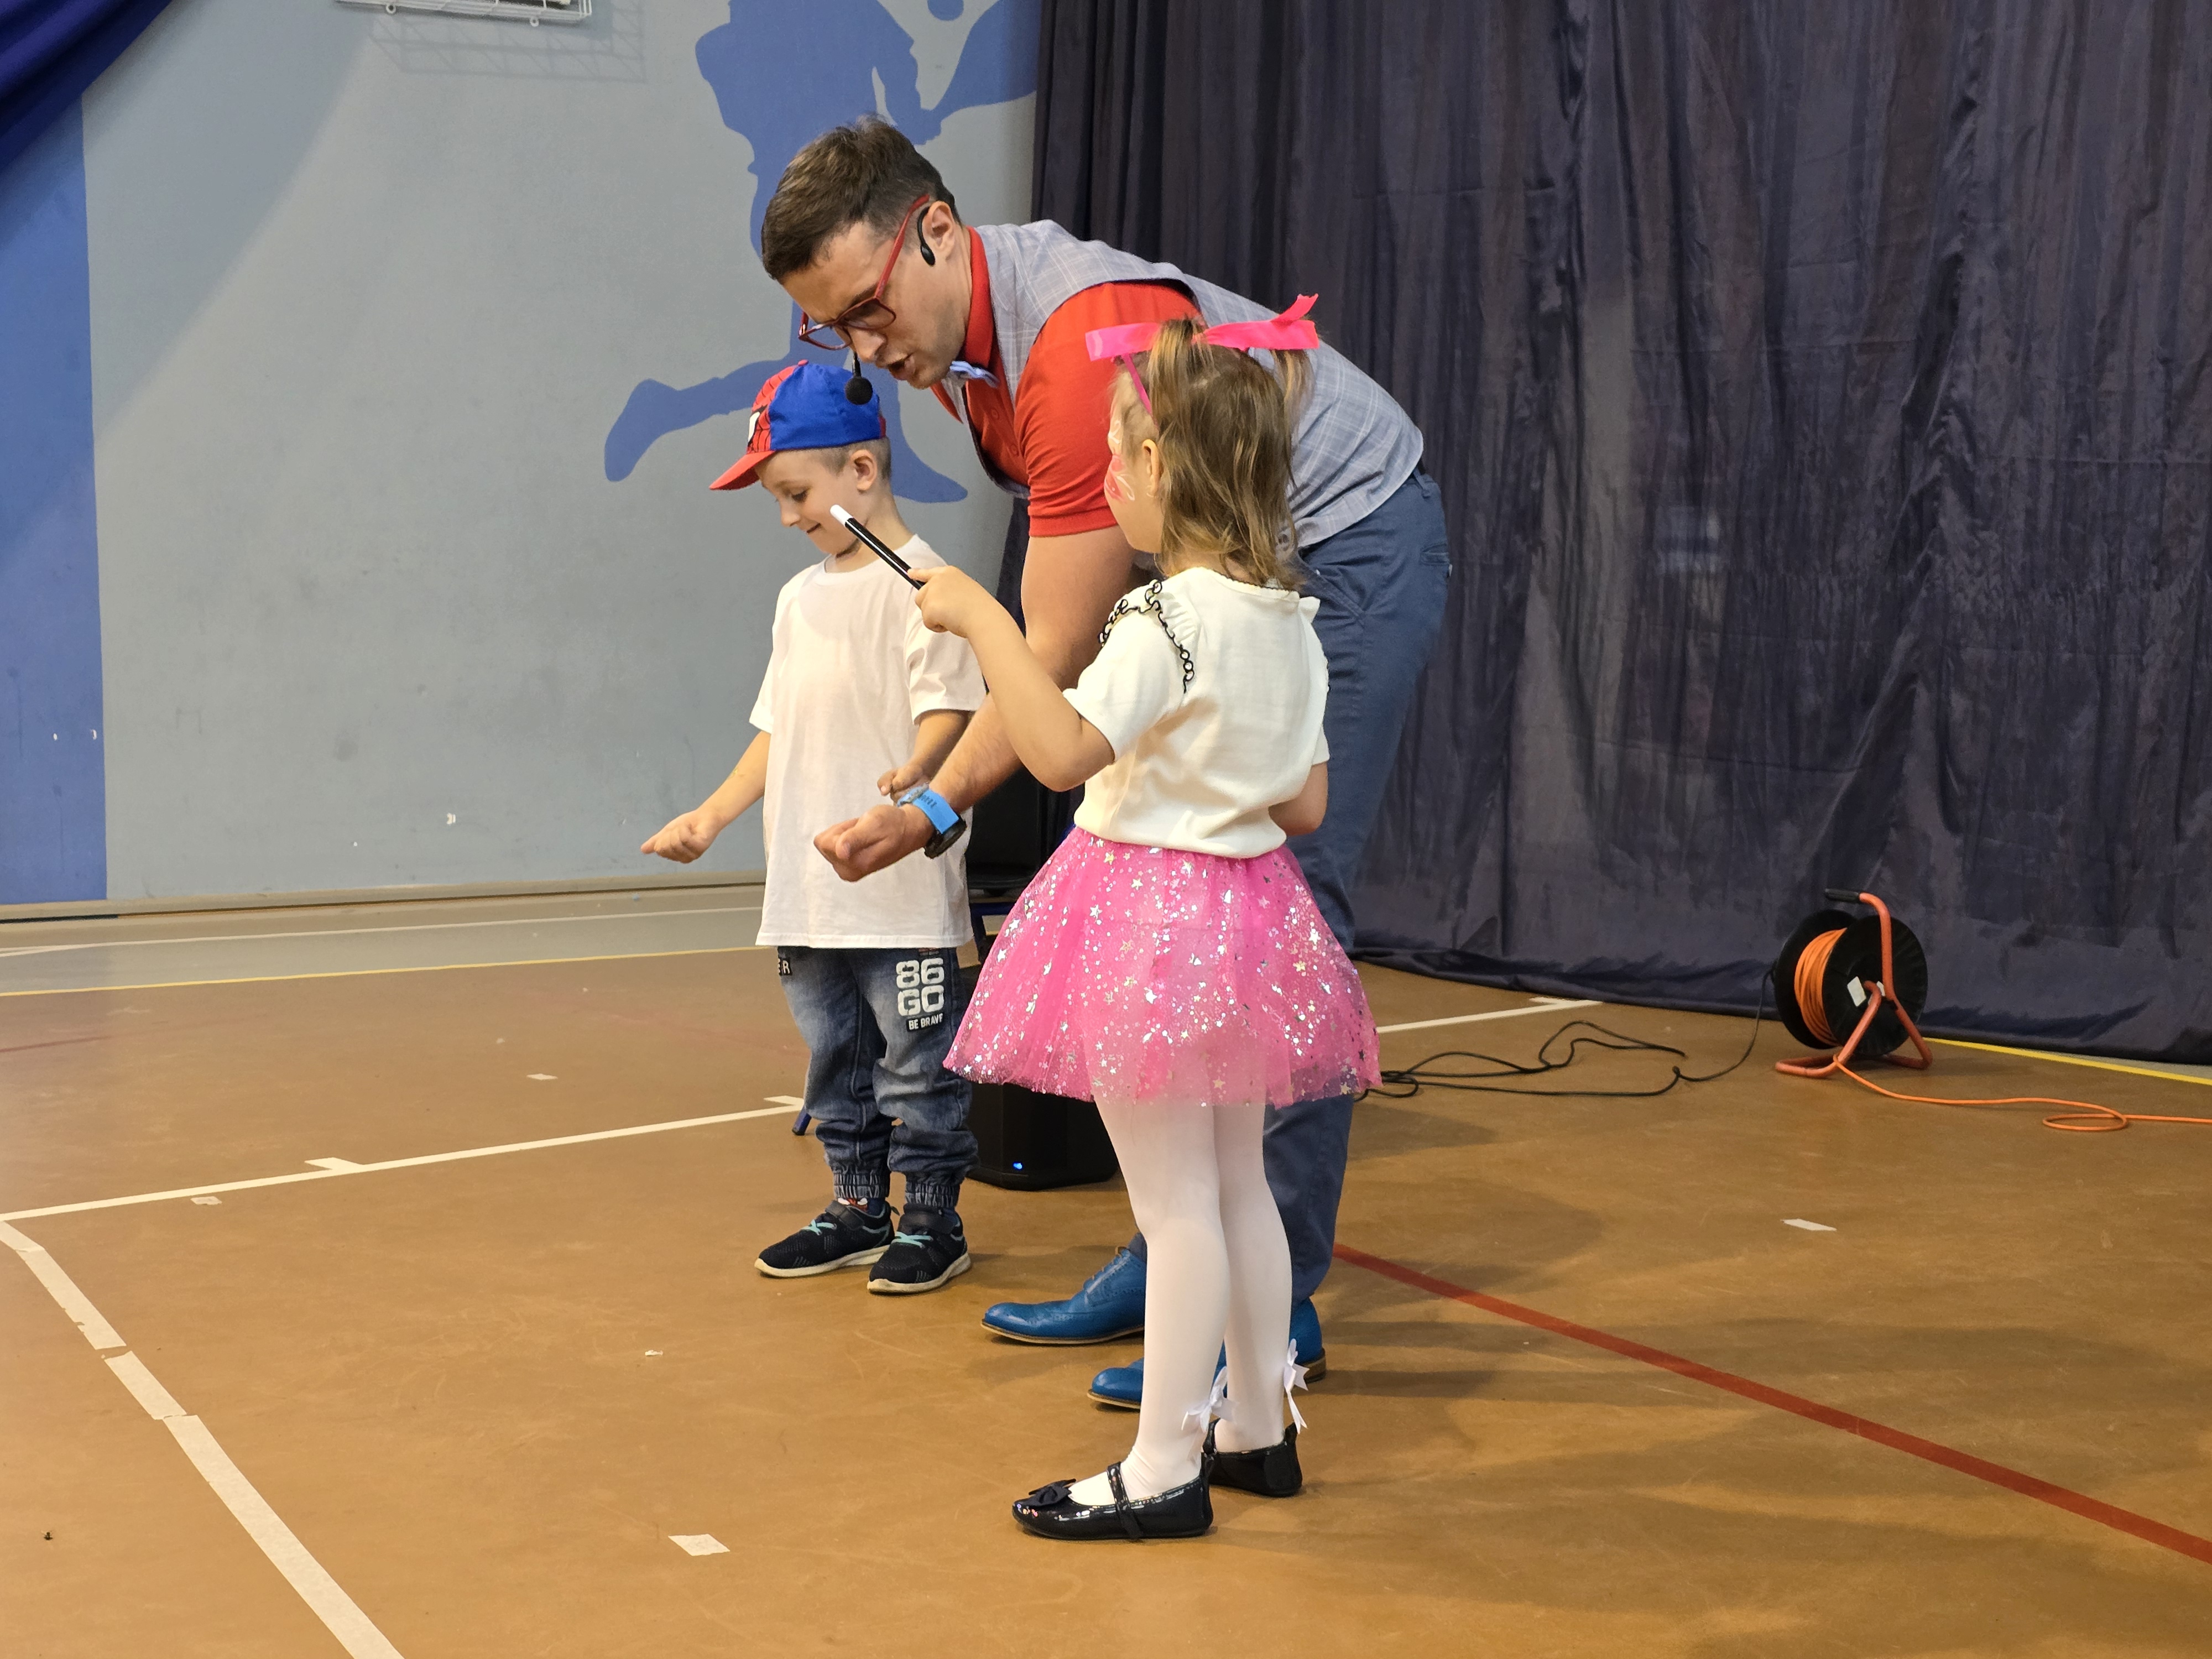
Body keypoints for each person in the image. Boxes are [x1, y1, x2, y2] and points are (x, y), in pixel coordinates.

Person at [758, 119, 1451, 1401]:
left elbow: (1054, 654)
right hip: (1213, 569)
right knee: (1175, 924)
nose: (864, 351)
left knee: (1279, 915)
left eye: (867, 308)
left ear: (935, 233)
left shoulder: (1077, 347)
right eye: (830, 328)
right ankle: (1174, 1261)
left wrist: (930, 807)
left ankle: (1263, 1320)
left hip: (1345, 541)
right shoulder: (962, 351)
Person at [911, 314, 1379, 1540]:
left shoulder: (1162, 620)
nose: (1103, 477)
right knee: (1238, 1190)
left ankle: (1163, 1467)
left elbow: (1062, 751)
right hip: (1250, 920)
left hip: (1150, 925)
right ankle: (1256, 1427)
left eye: (1114, 454)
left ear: (1163, 467)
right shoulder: (1288, 620)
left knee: (1174, 1210)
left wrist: (985, 625)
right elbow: (1304, 804)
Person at [641, 361, 985, 1295]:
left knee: (918, 1065)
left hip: (899, 895)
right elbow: (776, 728)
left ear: (862, 470)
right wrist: (711, 816)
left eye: (796, 493)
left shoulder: (928, 586)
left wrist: (919, 768)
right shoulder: (798, 600)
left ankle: (934, 1219)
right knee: (837, 1061)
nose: (788, 516)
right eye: (778, 499)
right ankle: (858, 1206)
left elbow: (952, 708)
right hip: (808, 893)